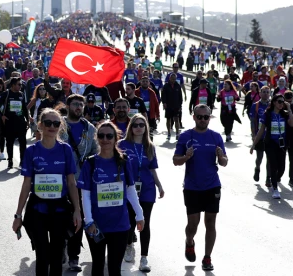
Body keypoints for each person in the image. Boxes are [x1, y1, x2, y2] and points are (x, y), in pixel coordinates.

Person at [12, 108, 82, 276]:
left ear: (60, 127)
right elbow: (26, 184)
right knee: (42, 256)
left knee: (57, 257)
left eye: (56, 123)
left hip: (60, 210)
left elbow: (71, 183)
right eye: (48, 123)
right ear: (40, 125)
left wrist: (77, 211)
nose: (52, 126)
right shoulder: (31, 151)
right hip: (37, 209)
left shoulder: (65, 150)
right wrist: (18, 215)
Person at [77, 121, 145, 276]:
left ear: (116, 138)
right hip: (97, 225)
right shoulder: (90, 162)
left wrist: (139, 214)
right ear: (96, 138)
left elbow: (130, 190)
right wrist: (88, 221)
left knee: (115, 269)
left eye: (109, 135)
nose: (105, 139)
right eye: (101, 135)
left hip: (120, 225)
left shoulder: (124, 160)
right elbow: (85, 195)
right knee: (98, 266)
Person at [173, 104, 228, 271]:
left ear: (209, 118)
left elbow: (225, 162)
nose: (203, 120)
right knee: (193, 224)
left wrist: (221, 157)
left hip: (212, 185)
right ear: (194, 117)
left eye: (206, 117)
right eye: (200, 117)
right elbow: (176, 160)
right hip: (192, 186)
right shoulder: (185, 136)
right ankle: (189, 241)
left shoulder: (216, 137)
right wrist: (185, 157)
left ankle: (207, 257)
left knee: (210, 223)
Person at [118, 114, 164, 272]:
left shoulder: (149, 146)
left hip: (147, 189)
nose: (138, 127)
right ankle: (129, 246)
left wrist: (159, 186)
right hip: (128, 189)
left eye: (142, 125)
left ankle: (144, 258)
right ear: (131, 127)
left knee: (144, 222)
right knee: (130, 221)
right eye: (136, 125)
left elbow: (152, 169)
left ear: (146, 128)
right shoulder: (122, 144)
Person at [60, 94, 98, 272]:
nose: (78, 107)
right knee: (59, 219)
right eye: (75, 104)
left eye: (80, 105)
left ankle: (74, 256)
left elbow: (94, 153)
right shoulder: (58, 125)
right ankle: (61, 246)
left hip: (82, 182)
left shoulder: (89, 128)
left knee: (78, 219)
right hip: (59, 182)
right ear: (68, 106)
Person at [250, 94, 293, 199]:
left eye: (282, 102)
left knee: (282, 167)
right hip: (270, 144)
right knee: (273, 165)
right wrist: (253, 144)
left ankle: (276, 178)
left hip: (282, 144)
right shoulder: (268, 114)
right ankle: (275, 188)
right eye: (279, 101)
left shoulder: (285, 114)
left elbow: (292, 124)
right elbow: (261, 130)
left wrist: (289, 109)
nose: (281, 104)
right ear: (274, 102)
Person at [0, 77, 31, 168]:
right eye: (19, 84)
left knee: (23, 142)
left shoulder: (21, 94)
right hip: (9, 122)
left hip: (21, 122)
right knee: (9, 142)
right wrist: (2, 115)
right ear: (13, 85)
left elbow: (25, 109)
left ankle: (22, 161)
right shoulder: (6, 94)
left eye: (21, 84)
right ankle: (10, 160)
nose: (20, 86)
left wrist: (28, 120)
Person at [250, 86, 272, 184]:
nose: (266, 94)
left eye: (268, 92)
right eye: (264, 92)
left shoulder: (272, 105)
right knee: (259, 157)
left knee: (270, 158)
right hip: (260, 136)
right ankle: (257, 168)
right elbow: (252, 121)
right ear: (260, 93)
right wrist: (253, 134)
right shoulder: (255, 105)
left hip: (270, 137)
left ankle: (268, 177)